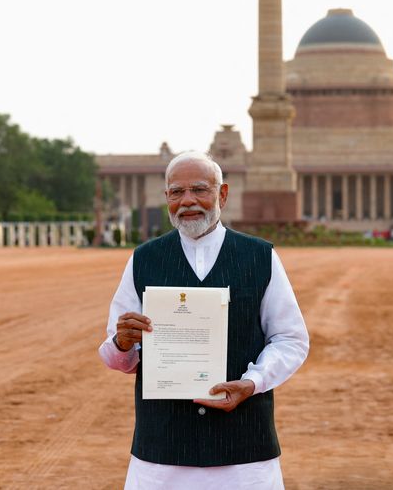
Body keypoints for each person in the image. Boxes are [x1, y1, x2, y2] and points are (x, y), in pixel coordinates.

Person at [99, 151, 309, 489]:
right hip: (163, 450)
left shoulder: (260, 257)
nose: (188, 201)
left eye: (199, 189)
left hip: (243, 451)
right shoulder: (144, 259)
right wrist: (122, 342)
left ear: (222, 194)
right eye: (176, 192)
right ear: (166, 197)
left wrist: (253, 382)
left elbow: (290, 339)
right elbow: (117, 355)